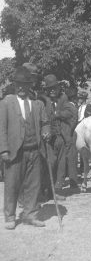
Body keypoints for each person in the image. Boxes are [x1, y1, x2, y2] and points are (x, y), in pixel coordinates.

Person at [0, 66, 50, 229]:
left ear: (30, 85)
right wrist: (4, 149)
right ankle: (10, 216)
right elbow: (1, 128)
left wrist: (46, 131)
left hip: (34, 150)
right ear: (15, 85)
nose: (21, 88)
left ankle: (30, 215)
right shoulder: (7, 102)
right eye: (18, 84)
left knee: (33, 184)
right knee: (12, 184)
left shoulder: (37, 104)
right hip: (15, 151)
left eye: (24, 84)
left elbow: (45, 123)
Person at [42, 74, 74, 195]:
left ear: (58, 88)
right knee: (50, 162)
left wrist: (58, 114)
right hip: (46, 137)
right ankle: (46, 189)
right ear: (46, 90)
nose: (52, 90)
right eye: (50, 88)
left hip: (60, 136)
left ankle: (58, 189)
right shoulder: (43, 100)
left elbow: (69, 113)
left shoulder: (63, 98)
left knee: (61, 163)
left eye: (54, 87)